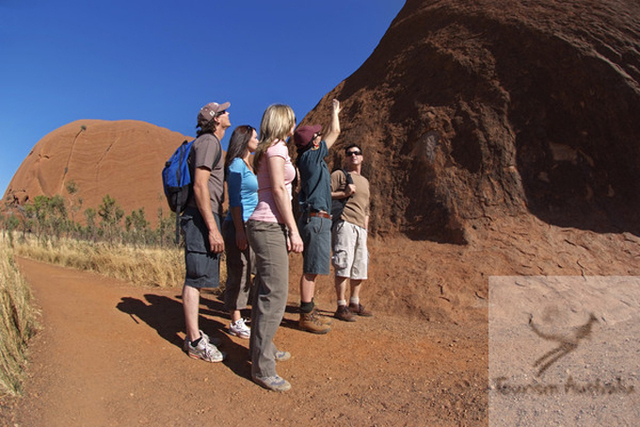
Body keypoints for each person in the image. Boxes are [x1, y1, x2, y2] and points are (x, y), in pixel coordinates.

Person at [246, 104, 303, 392]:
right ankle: (262, 367)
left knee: (264, 292)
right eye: (292, 120)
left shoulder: (269, 150)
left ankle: (261, 348)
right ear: (283, 122)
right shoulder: (277, 149)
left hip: (264, 224)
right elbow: (280, 190)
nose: (295, 124)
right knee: (275, 294)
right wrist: (293, 230)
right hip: (270, 226)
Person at [181, 101, 230, 362]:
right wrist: (212, 229)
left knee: (198, 277)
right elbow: (200, 186)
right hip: (200, 218)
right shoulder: (209, 142)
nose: (228, 113)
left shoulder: (209, 143)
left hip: (203, 217)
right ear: (215, 119)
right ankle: (195, 341)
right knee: (194, 278)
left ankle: (195, 333)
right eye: (223, 111)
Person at [293, 99, 341, 334]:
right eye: (317, 136)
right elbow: (336, 131)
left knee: (312, 268)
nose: (320, 137)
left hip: (317, 218)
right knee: (311, 269)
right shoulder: (311, 158)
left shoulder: (310, 159)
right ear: (313, 143)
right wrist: (334, 112)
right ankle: (306, 314)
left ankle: (308, 311)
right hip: (316, 219)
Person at [222, 125, 259, 339]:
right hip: (239, 224)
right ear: (245, 140)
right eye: (255, 136)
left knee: (251, 270)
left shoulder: (248, 165)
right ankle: (235, 320)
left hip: (250, 225)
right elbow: (235, 200)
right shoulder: (236, 165)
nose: (258, 139)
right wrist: (239, 230)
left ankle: (242, 314)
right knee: (239, 270)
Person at [330, 143, 373, 321]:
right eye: (349, 154)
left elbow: (366, 207)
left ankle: (354, 302)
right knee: (343, 262)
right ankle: (341, 305)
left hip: (360, 227)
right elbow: (325, 193)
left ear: (362, 157)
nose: (353, 156)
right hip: (345, 222)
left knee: (360, 264)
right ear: (346, 158)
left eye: (356, 153)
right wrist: (344, 193)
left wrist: (365, 226)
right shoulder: (339, 175)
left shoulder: (365, 181)